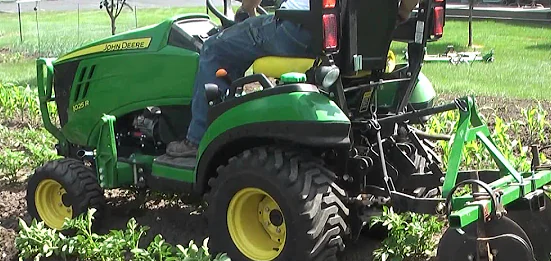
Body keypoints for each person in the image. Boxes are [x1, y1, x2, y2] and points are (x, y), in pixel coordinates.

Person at [166, 0, 421, 158]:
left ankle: (197, 138)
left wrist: (247, 9)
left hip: (300, 30)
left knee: (215, 49)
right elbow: (406, 5)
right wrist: (402, 12)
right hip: (354, 40)